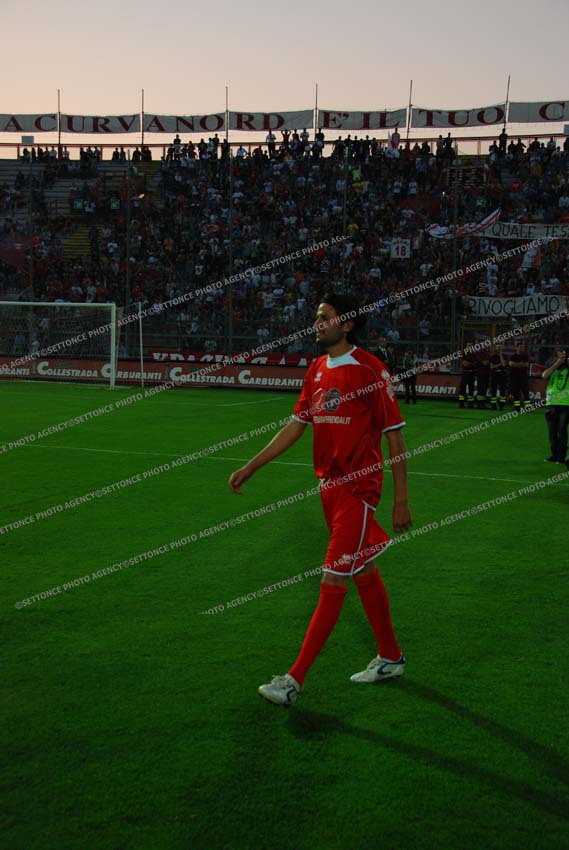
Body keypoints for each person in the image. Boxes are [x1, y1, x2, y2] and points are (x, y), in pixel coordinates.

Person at [228, 292, 412, 706]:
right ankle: (391, 657)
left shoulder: (371, 370)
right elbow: (296, 426)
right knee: (362, 568)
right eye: (316, 317)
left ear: (347, 324)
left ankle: (293, 681)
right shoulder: (315, 370)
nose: (317, 324)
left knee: (333, 578)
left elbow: (394, 435)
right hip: (328, 490)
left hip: (358, 490)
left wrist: (401, 500)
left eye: (325, 317)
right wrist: (252, 465)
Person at [542, 349, 569, 466]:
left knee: (562, 430)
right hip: (552, 403)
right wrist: (557, 364)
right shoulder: (552, 369)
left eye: (563, 357)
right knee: (552, 432)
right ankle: (555, 455)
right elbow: (544, 375)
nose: (561, 359)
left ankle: (561, 456)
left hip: (566, 404)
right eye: (559, 357)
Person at [509, 341, 531, 410]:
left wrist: (516, 364)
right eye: (520, 347)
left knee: (525, 391)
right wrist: (520, 364)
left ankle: (528, 406)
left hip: (523, 377)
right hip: (514, 377)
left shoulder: (525, 356)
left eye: (523, 347)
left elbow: (526, 365)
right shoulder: (513, 356)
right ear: (517, 348)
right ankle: (517, 407)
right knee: (515, 392)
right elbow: (511, 364)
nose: (522, 348)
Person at [489, 344, 507, 410]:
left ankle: (501, 405)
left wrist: (500, 355)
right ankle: (493, 405)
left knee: (502, 390)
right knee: (493, 390)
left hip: (502, 374)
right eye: (498, 347)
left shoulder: (504, 356)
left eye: (500, 347)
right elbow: (491, 367)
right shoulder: (492, 357)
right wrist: (499, 364)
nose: (499, 349)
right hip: (494, 375)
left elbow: (504, 364)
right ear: (496, 349)